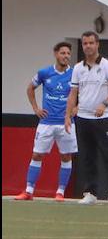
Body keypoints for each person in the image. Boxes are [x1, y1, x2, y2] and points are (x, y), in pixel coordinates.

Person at [65, 31, 108, 205]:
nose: (88, 46)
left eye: (91, 43)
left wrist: (104, 104)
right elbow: (73, 93)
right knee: (87, 156)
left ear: (97, 44)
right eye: (85, 43)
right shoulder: (77, 68)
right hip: (83, 118)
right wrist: (68, 116)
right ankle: (90, 192)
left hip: (103, 118)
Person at [16, 42, 78, 200]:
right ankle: (29, 191)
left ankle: (60, 192)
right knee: (37, 155)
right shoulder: (44, 73)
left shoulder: (75, 74)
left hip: (66, 123)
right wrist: (36, 108)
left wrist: (78, 107)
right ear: (56, 54)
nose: (66, 56)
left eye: (68, 54)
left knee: (66, 156)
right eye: (63, 53)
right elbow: (30, 88)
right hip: (46, 123)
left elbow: (84, 91)